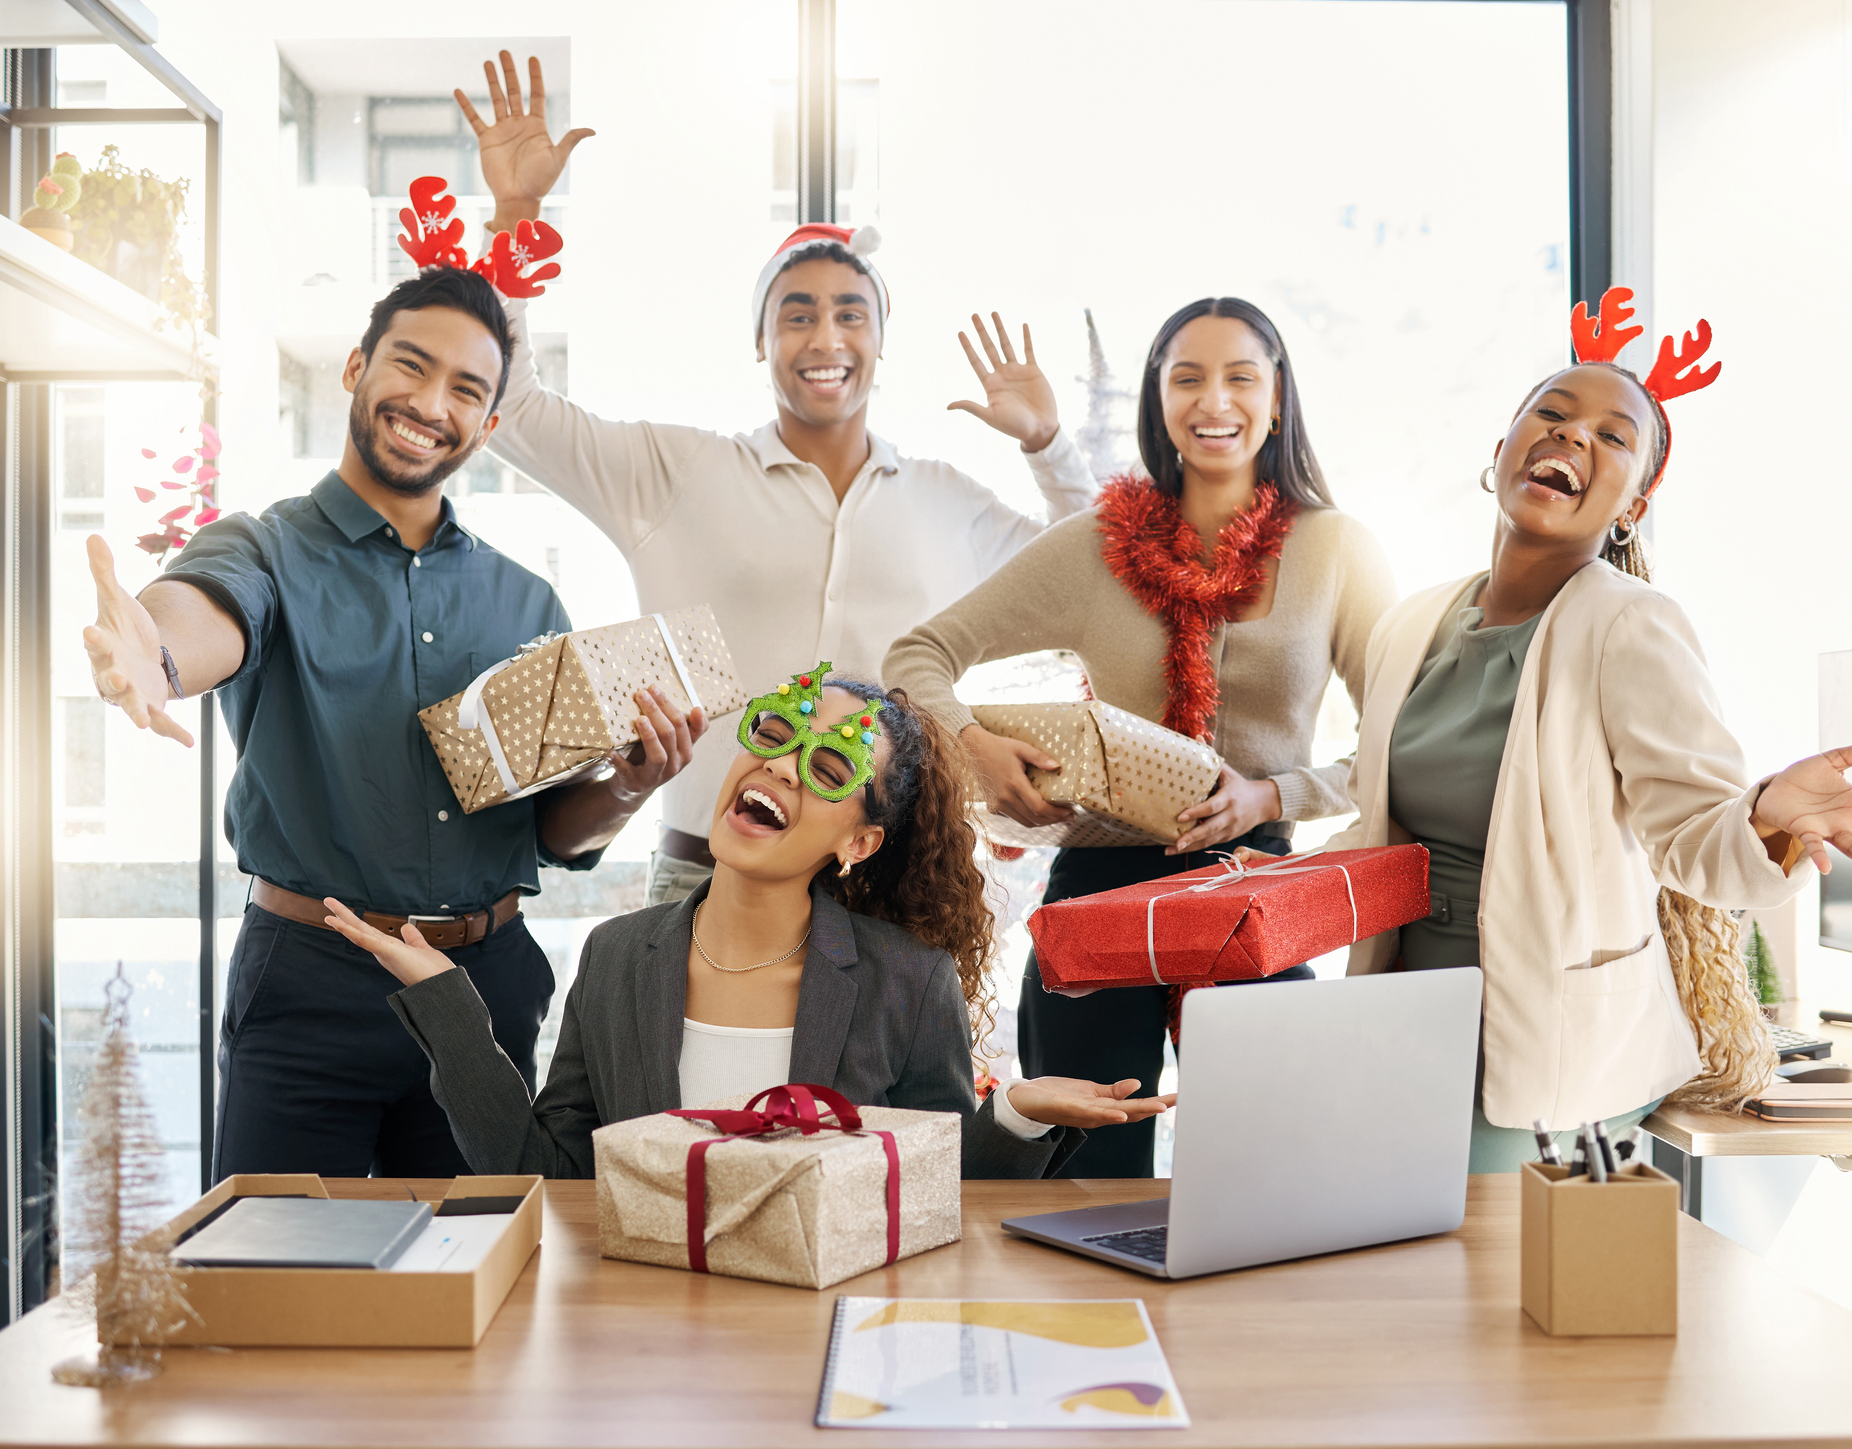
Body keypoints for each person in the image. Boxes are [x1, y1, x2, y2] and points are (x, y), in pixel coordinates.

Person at [82, 265, 703, 1179]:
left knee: (480, 1292)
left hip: (484, 986)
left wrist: (626, 786)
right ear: (355, 368)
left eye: (466, 389)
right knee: (276, 1282)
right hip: (309, 983)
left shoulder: (525, 599)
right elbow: (204, 611)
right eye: (410, 365)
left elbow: (555, 832)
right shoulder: (264, 547)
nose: (429, 402)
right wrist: (156, 659)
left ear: (488, 426)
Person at [451, 51, 1102, 908]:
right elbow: (520, 410)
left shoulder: (948, 501)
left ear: (880, 339)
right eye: (796, 314)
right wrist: (515, 215)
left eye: (849, 313)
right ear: (761, 341)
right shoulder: (678, 472)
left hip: (891, 878)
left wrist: (1050, 443)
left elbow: (1096, 567)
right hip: (702, 875)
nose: (824, 336)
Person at [1328, 288, 1852, 1168]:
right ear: (1500, 451)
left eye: (1613, 438)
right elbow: (1374, 804)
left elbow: (1693, 841)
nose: (1575, 435)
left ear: (1632, 509)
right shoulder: (1413, 621)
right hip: (1403, 1008)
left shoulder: (1630, 625)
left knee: (1477, 1281)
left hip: (1549, 1033)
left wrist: (1766, 813)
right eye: (1554, 413)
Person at [883, 297, 1398, 1177]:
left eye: (1241, 377)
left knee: (1270, 1167)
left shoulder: (1337, 549)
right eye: (1186, 377)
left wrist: (1274, 795)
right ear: (1157, 400)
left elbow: (1398, 736)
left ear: (1278, 401)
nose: (1214, 401)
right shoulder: (1092, 544)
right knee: (1083, 1172)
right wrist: (974, 744)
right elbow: (917, 654)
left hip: (1252, 887)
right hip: (1101, 890)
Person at [324, 666, 1174, 1178]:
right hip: (647, 1336)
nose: (782, 765)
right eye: (777, 730)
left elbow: (938, 1188)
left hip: (823, 1333)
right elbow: (545, 1171)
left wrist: (1020, 1111)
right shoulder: (617, 956)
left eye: (832, 765)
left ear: (860, 840)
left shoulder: (905, 980)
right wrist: (450, 1007)